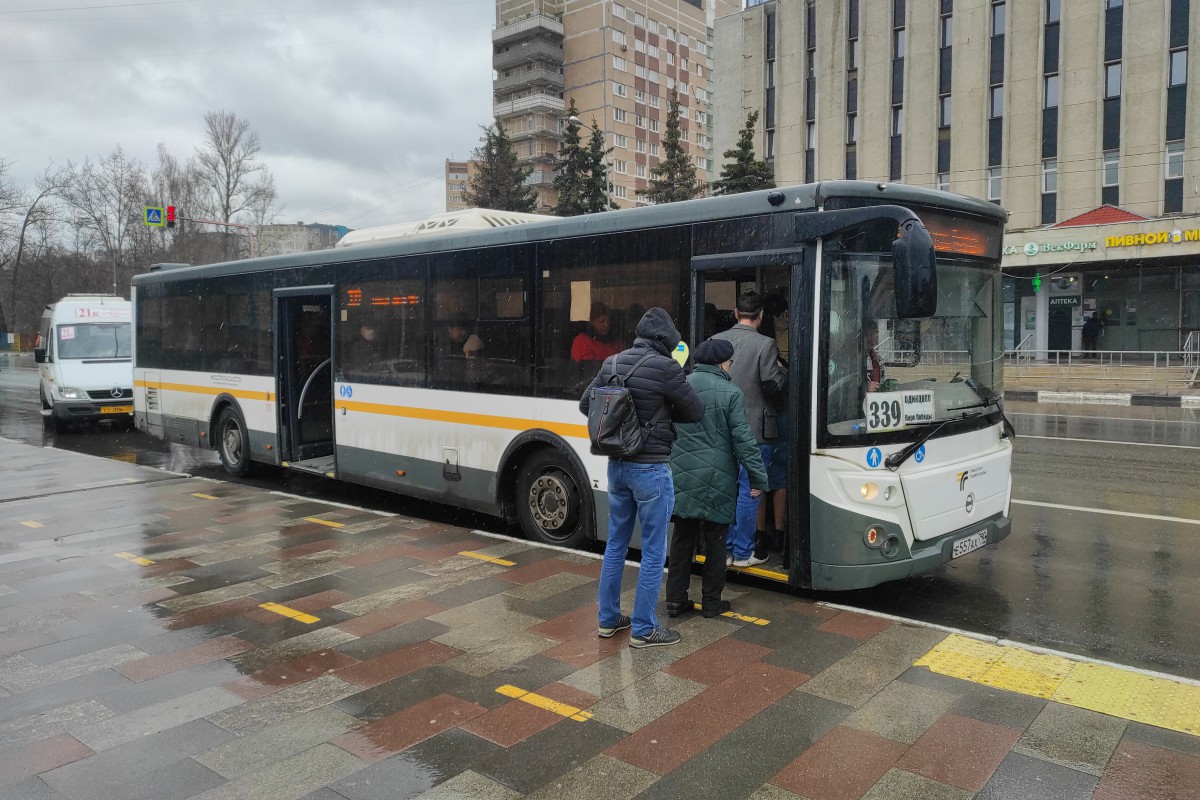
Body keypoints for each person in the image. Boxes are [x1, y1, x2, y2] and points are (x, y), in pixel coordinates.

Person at [579, 307, 704, 648]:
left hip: (616, 466)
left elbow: (584, 404)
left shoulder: (613, 363)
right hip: (650, 467)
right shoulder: (665, 367)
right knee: (652, 550)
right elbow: (695, 410)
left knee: (616, 544)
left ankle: (608, 620)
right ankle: (644, 629)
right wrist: (661, 410)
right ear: (665, 341)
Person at [666, 338, 767, 619]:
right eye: (729, 363)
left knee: (682, 538)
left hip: (681, 475)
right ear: (723, 364)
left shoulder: (681, 387)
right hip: (718, 478)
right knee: (715, 541)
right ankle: (711, 603)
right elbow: (744, 441)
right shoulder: (730, 392)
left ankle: (675, 600)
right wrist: (758, 478)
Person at [713, 289, 785, 567]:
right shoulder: (765, 344)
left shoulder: (717, 340)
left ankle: (728, 549)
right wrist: (784, 372)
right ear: (761, 316)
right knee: (750, 490)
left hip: (723, 429)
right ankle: (743, 552)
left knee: (728, 490)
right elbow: (770, 384)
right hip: (755, 430)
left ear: (735, 313)